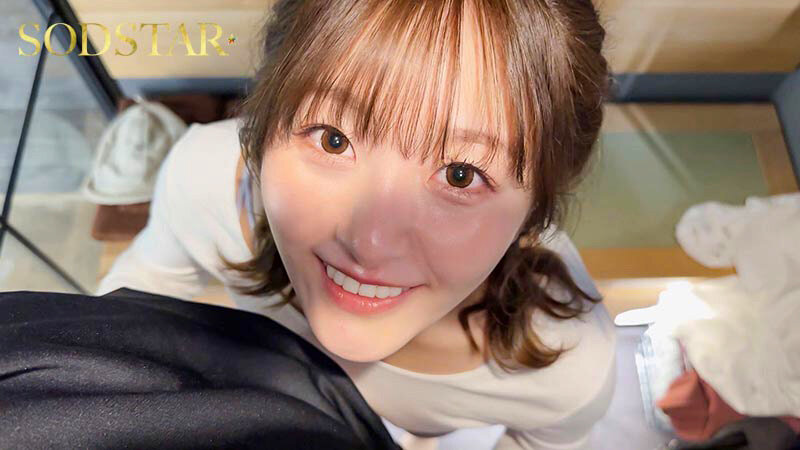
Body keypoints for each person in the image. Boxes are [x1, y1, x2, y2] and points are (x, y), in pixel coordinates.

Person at [98, 1, 617, 448]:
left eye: (460, 174)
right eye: (333, 139)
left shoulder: (568, 369)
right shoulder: (204, 179)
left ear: (536, 211)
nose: (370, 243)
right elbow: (141, 290)